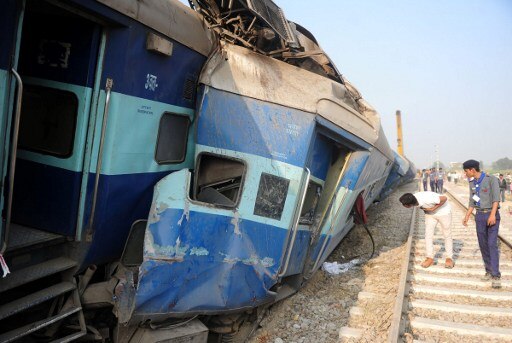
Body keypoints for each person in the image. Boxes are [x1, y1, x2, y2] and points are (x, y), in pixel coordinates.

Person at [461, 159, 501, 288]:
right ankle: (488, 271)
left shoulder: (491, 179)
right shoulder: (472, 182)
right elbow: (472, 200)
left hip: (491, 214)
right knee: (483, 245)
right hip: (479, 216)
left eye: (466, 171)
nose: (465, 174)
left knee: (491, 244)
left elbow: (496, 199)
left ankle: (495, 275)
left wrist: (492, 215)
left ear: (472, 170)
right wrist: (467, 215)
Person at [399, 191, 454, 269]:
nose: (403, 205)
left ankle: (449, 258)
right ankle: (430, 258)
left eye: (404, 205)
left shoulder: (427, 199)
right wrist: (429, 210)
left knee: (447, 235)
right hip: (430, 214)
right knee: (428, 235)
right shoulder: (412, 199)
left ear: (409, 205)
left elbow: (444, 198)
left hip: (444, 212)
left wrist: (433, 208)